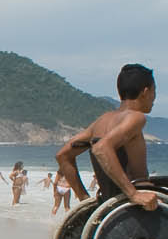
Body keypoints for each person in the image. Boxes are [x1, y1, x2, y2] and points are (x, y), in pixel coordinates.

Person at [55, 64, 160, 212]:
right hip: (138, 206)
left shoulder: (101, 121)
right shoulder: (136, 117)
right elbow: (101, 148)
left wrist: (84, 199)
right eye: (154, 91)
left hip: (108, 201)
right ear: (145, 92)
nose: (154, 98)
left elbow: (63, 156)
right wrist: (133, 194)